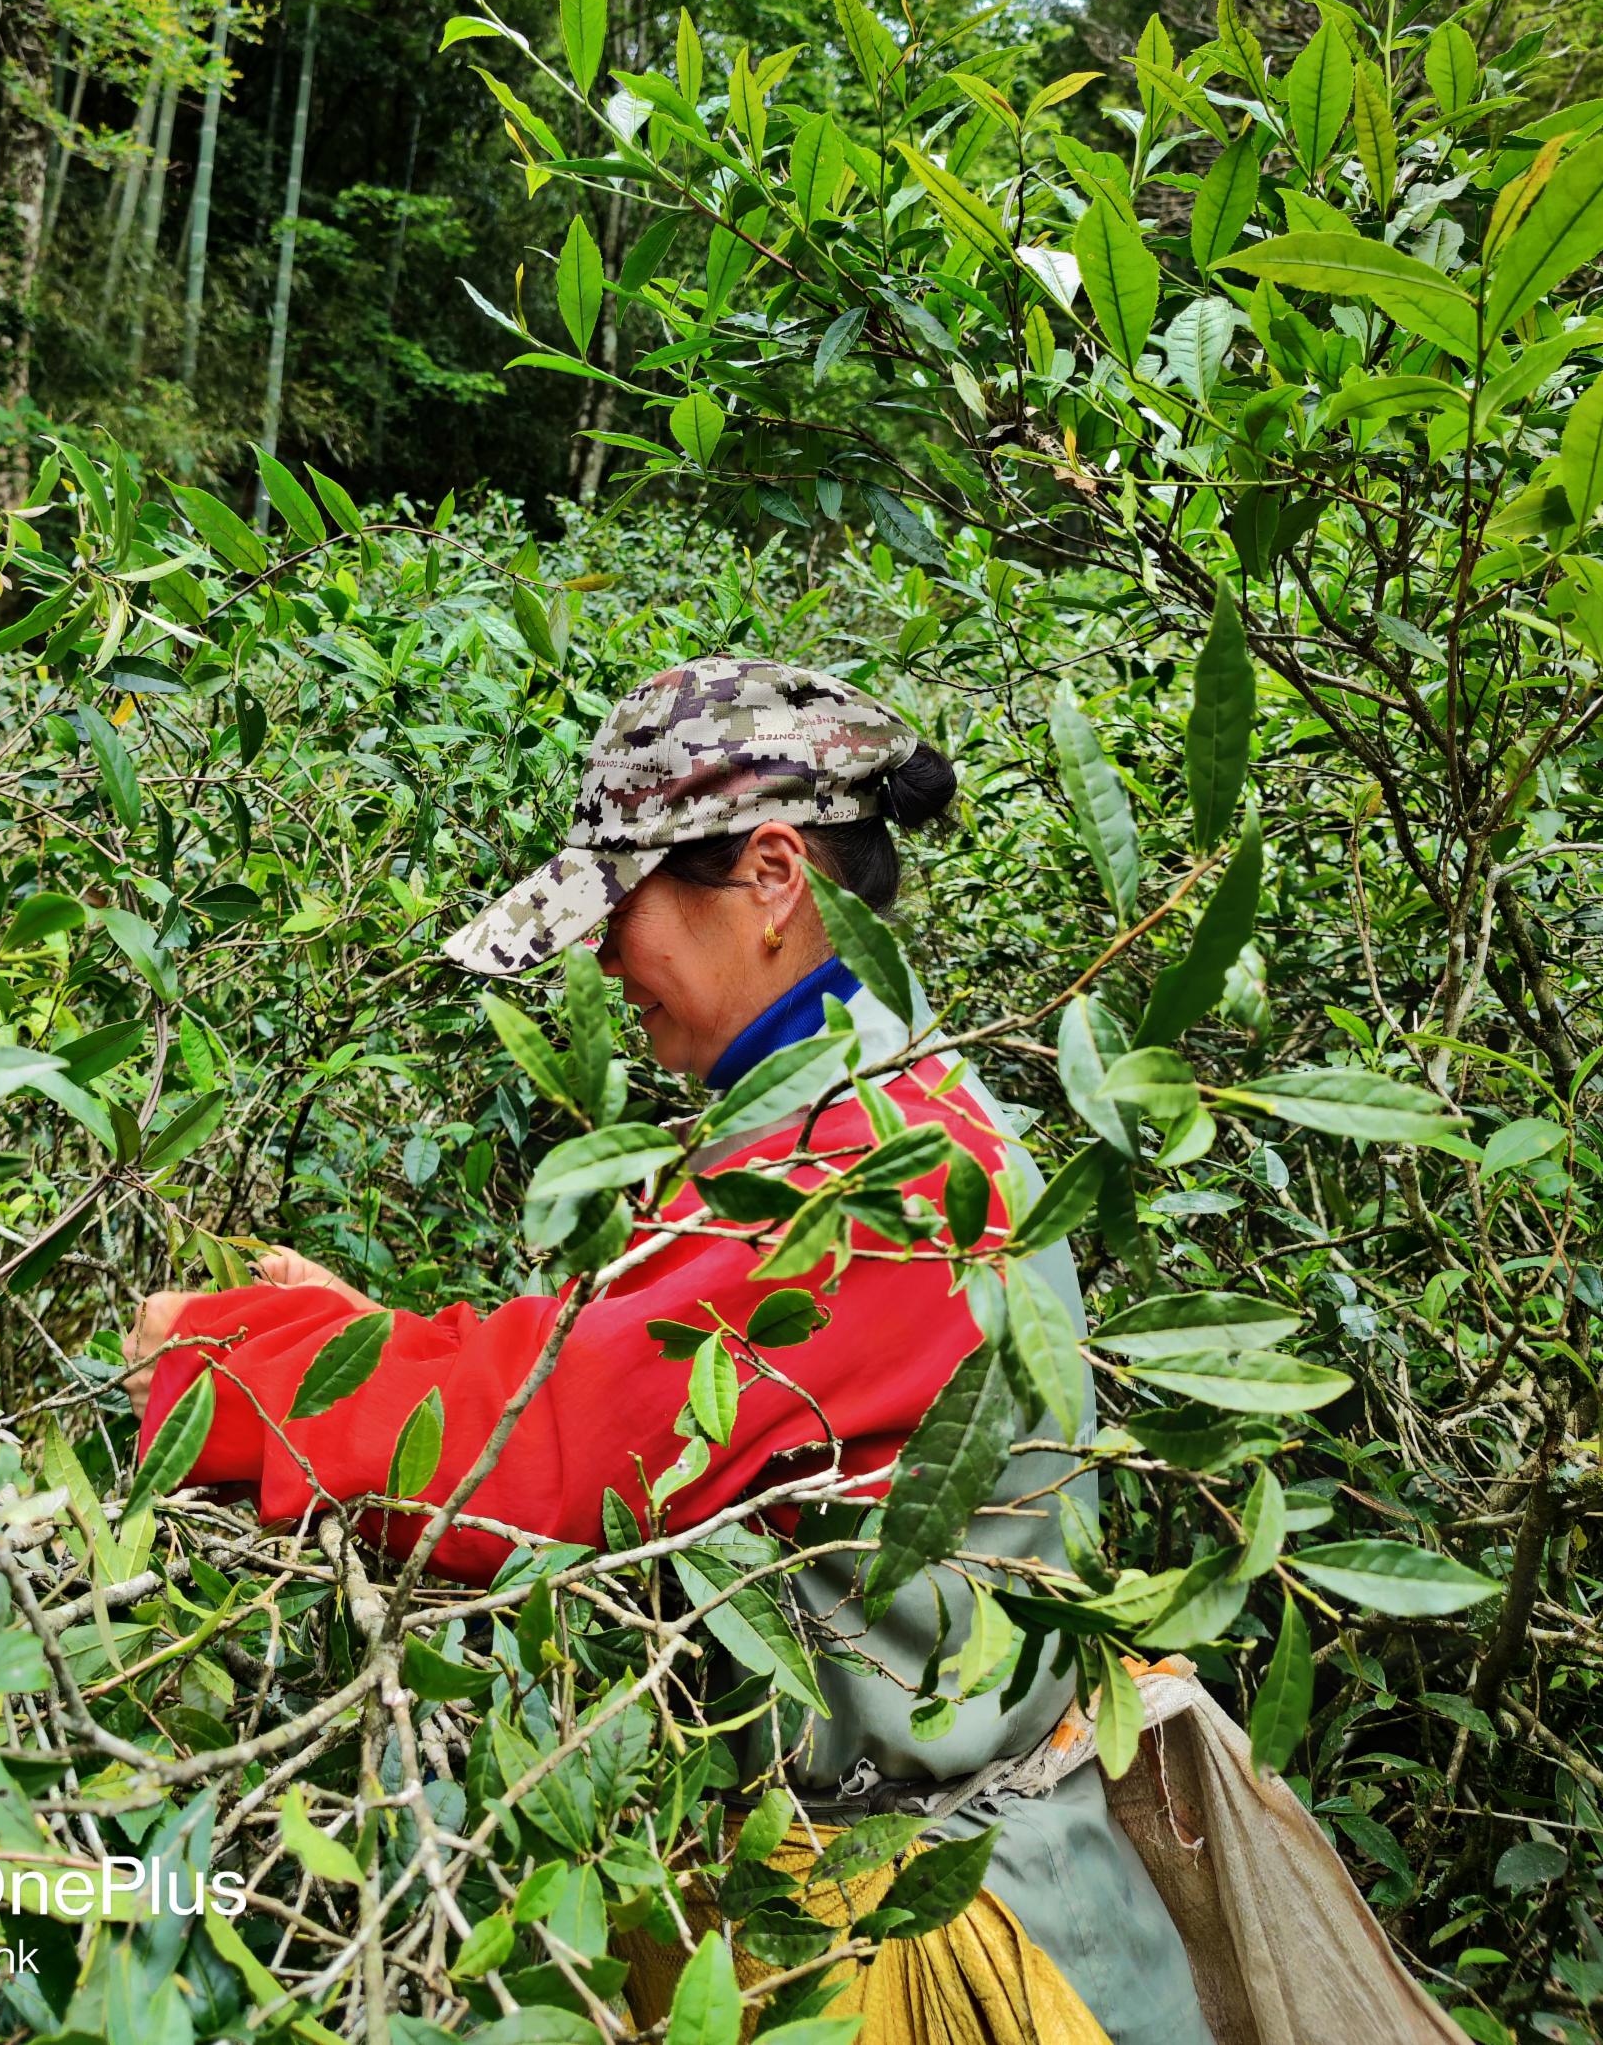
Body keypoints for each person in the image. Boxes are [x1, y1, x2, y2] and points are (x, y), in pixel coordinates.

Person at [126, 657, 1211, 2045]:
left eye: (623, 905)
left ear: (770, 878)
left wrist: (213, 1367)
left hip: (898, 1941)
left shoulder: (870, 1169)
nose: (598, 954)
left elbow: (550, 1455)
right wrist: (348, 1342)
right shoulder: (857, 1109)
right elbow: (619, 1366)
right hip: (864, 1890)